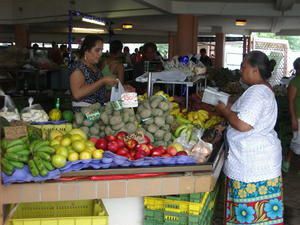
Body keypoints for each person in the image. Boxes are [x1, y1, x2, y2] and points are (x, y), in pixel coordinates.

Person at [216, 51, 283, 225]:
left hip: (253, 164)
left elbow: (243, 124)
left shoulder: (258, 92)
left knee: (250, 214)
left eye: (243, 66)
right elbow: (244, 113)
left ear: (255, 69)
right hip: (256, 161)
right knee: (252, 216)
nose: (240, 70)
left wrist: (225, 111)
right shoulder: (259, 90)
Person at [69, 35, 118, 111]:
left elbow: (100, 94)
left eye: (101, 50)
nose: (100, 54)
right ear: (86, 50)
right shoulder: (78, 68)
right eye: (97, 50)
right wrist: (102, 81)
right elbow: (77, 94)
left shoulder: (96, 69)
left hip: (98, 110)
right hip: (84, 114)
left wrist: (120, 91)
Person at [283, 58, 300, 172]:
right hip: (298, 117)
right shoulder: (295, 81)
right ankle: (287, 161)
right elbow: (290, 100)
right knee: (296, 142)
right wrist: (293, 118)